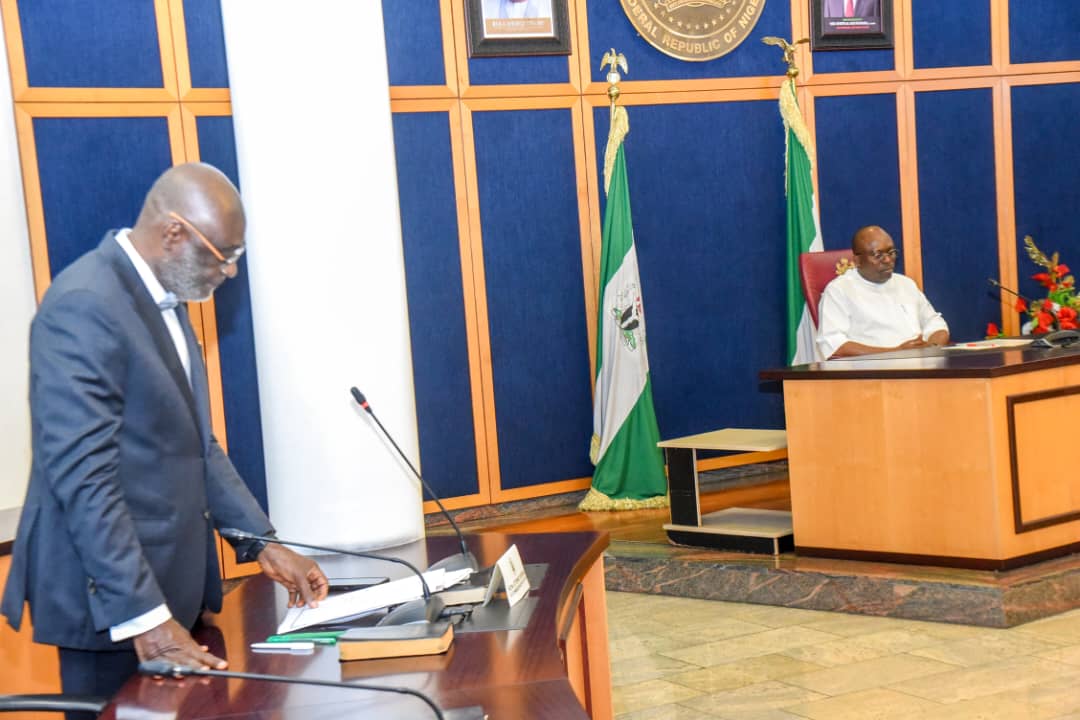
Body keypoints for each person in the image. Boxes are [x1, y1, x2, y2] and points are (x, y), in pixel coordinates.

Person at [1, 163, 329, 701]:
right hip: (113, 608)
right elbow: (85, 480)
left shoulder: (165, 302)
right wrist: (144, 617)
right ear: (174, 232)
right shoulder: (86, 304)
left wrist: (261, 543)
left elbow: (197, 448)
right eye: (222, 256)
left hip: (168, 591)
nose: (227, 273)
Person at [816, 225, 949, 359]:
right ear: (857, 260)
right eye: (878, 255)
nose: (887, 260)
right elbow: (833, 344)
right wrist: (896, 353)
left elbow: (935, 323)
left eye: (891, 252)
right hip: (873, 373)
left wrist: (932, 349)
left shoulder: (906, 284)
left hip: (921, 366)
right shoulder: (839, 290)